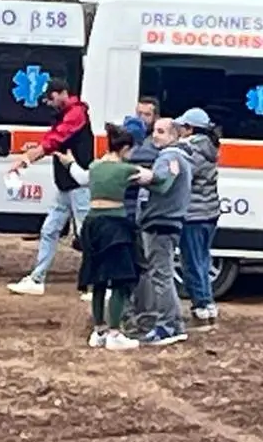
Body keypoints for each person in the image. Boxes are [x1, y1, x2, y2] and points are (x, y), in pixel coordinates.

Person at [7, 78, 93, 296]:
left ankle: (98, 283)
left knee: (86, 234)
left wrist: (26, 159)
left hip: (79, 184)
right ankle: (37, 278)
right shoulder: (69, 113)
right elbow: (51, 139)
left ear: (62, 93)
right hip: (67, 184)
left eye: (51, 98)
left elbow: (53, 140)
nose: (50, 103)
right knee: (49, 230)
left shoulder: (75, 114)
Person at [73, 124, 143, 351]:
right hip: (115, 225)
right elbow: (153, 179)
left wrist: (69, 162)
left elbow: (81, 176)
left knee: (98, 280)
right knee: (120, 280)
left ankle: (99, 331)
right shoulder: (126, 170)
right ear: (124, 148)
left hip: (92, 225)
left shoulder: (95, 166)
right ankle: (115, 332)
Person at [126, 118, 191, 346]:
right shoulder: (177, 157)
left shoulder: (169, 157)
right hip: (167, 222)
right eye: (155, 131)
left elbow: (163, 182)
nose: (156, 135)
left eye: (161, 132)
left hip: (160, 223)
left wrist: (146, 177)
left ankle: (167, 326)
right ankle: (172, 324)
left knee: (161, 276)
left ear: (174, 135)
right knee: (162, 275)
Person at [176, 107, 223, 323]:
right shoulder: (210, 148)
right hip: (210, 213)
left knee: (192, 261)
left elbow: (179, 176)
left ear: (190, 128)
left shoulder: (189, 151)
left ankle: (201, 303)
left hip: (193, 214)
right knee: (203, 259)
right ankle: (208, 302)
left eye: (182, 127)